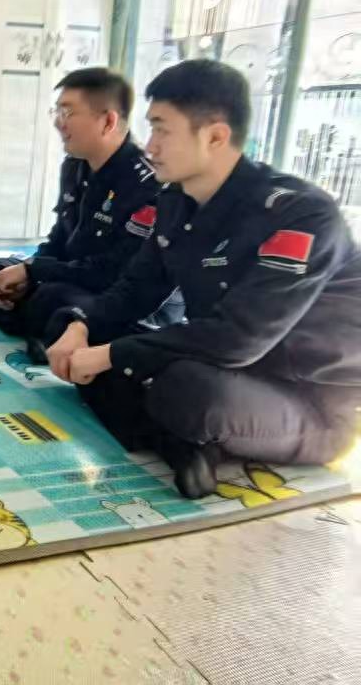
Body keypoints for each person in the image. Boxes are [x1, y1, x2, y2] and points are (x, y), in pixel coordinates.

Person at [46, 59, 361, 498]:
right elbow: (136, 289)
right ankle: (181, 445)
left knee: (181, 386)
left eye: (162, 130)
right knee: (69, 326)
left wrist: (112, 355)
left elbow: (240, 338)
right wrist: (82, 327)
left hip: (309, 399)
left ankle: (178, 435)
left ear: (215, 136)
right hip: (220, 364)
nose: (149, 146)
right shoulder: (176, 201)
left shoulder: (301, 215)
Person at [0, 68, 167, 360]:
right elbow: (60, 238)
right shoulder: (74, 166)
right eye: (56, 111)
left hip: (117, 296)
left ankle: (49, 329)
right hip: (75, 277)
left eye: (68, 112)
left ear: (108, 121)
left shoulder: (147, 183)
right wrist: (29, 269)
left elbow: (116, 273)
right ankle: (47, 332)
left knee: (52, 297)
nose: (58, 122)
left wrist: (36, 272)